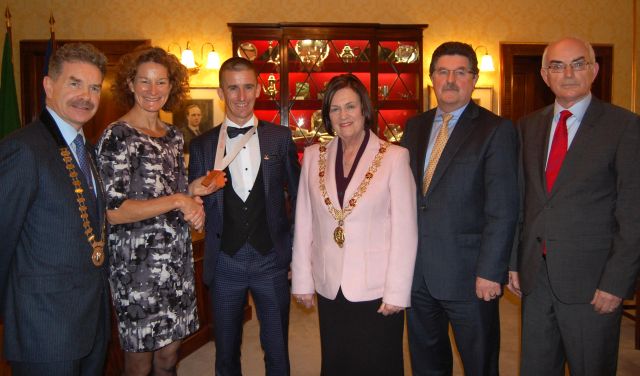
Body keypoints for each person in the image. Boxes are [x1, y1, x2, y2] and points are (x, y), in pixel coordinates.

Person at [508, 37, 640, 375]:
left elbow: (633, 212)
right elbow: (521, 202)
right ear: (544, 74)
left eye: (578, 63)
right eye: (557, 65)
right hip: (536, 279)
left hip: (593, 285)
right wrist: (513, 262)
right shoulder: (526, 127)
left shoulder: (624, 127)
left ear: (594, 70)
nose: (568, 73)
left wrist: (616, 282)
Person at [96, 47, 221, 376]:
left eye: (161, 82)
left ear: (172, 86)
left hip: (175, 260)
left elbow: (170, 191)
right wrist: (180, 201)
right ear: (131, 84)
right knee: (139, 362)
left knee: (169, 356)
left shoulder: (174, 136)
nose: (153, 90)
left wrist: (193, 190)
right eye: (145, 82)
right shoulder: (116, 136)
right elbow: (114, 210)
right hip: (136, 267)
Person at [401, 41, 519, 375]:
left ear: (473, 78)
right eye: (442, 72)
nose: (450, 79)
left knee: (479, 364)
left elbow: (503, 207)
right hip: (418, 274)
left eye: (460, 72)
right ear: (432, 78)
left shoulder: (496, 130)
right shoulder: (415, 126)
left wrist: (490, 271)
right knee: (427, 364)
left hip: (470, 277)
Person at [291, 73, 418, 375]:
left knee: (378, 364)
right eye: (335, 109)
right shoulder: (313, 156)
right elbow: (304, 221)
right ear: (327, 116)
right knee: (336, 362)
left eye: (350, 106)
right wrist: (302, 279)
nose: (343, 115)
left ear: (364, 110)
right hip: (329, 284)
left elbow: (405, 230)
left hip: (376, 288)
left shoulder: (394, 157)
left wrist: (397, 292)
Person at [0, 43, 110, 375]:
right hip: (44, 326)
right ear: (49, 86)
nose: (86, 97)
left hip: (91, 320)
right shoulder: (23, 149)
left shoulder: (86, 149)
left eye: (93, 88)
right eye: (74, 83)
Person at [188, 57, 300, 376]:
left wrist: (293, 251)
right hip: (225, 263)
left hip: (271, 262)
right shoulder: (201, 145)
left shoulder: (280, 138)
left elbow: (298, 196)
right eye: (233, 88)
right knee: (225, 352)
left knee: (277, 349)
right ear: (221, 92)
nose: (241, 96)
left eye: (248, 86)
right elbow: (196, 200)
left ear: (258, 89)